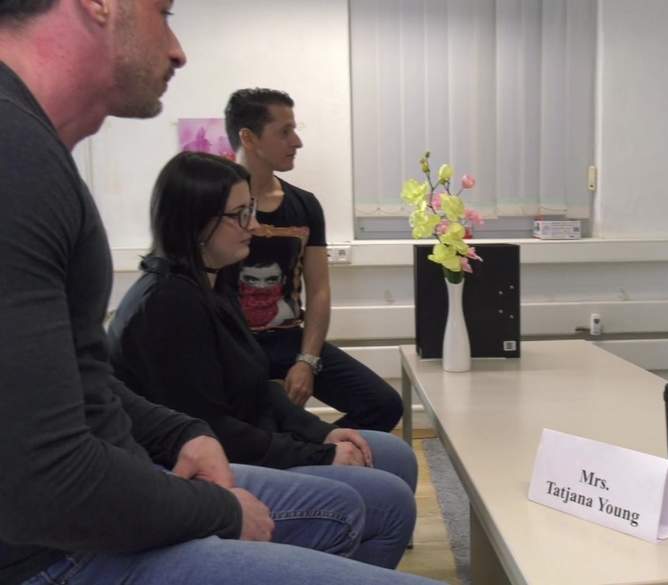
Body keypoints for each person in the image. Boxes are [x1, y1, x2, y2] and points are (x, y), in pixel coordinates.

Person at [0, 2, 439, 584]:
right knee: (350, 505)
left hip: (98, 508)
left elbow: (89, 387)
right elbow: (48, 476)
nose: (178, 49)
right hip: (59, 553)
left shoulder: (35, 151)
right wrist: (221, 508)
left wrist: (185, 433)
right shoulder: (19, 160)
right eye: (162, 11)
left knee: (377, 475)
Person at [107, 151, 418, 569]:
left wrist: (324, 434)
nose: (254, 225)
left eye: (250, 210)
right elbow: (213, 431)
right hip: (205, 468)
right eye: (240, 215)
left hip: (244, 439)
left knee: (396, 456)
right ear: (195, 223)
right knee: (390, 500)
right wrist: (319, 456)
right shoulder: (167, 305)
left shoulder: (213, 280)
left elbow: (257, 390)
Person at [223, 88, 403, 431]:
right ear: (248, 137)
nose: (297, 142)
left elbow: (319, 289)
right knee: (262, 424)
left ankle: (314, 449)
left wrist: (307, 360)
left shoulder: (304, 205)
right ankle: (301, 449)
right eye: (285, 131)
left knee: (383, 405)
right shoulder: (212, 203)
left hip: (289, 341)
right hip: (231, 346)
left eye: (295, 129)